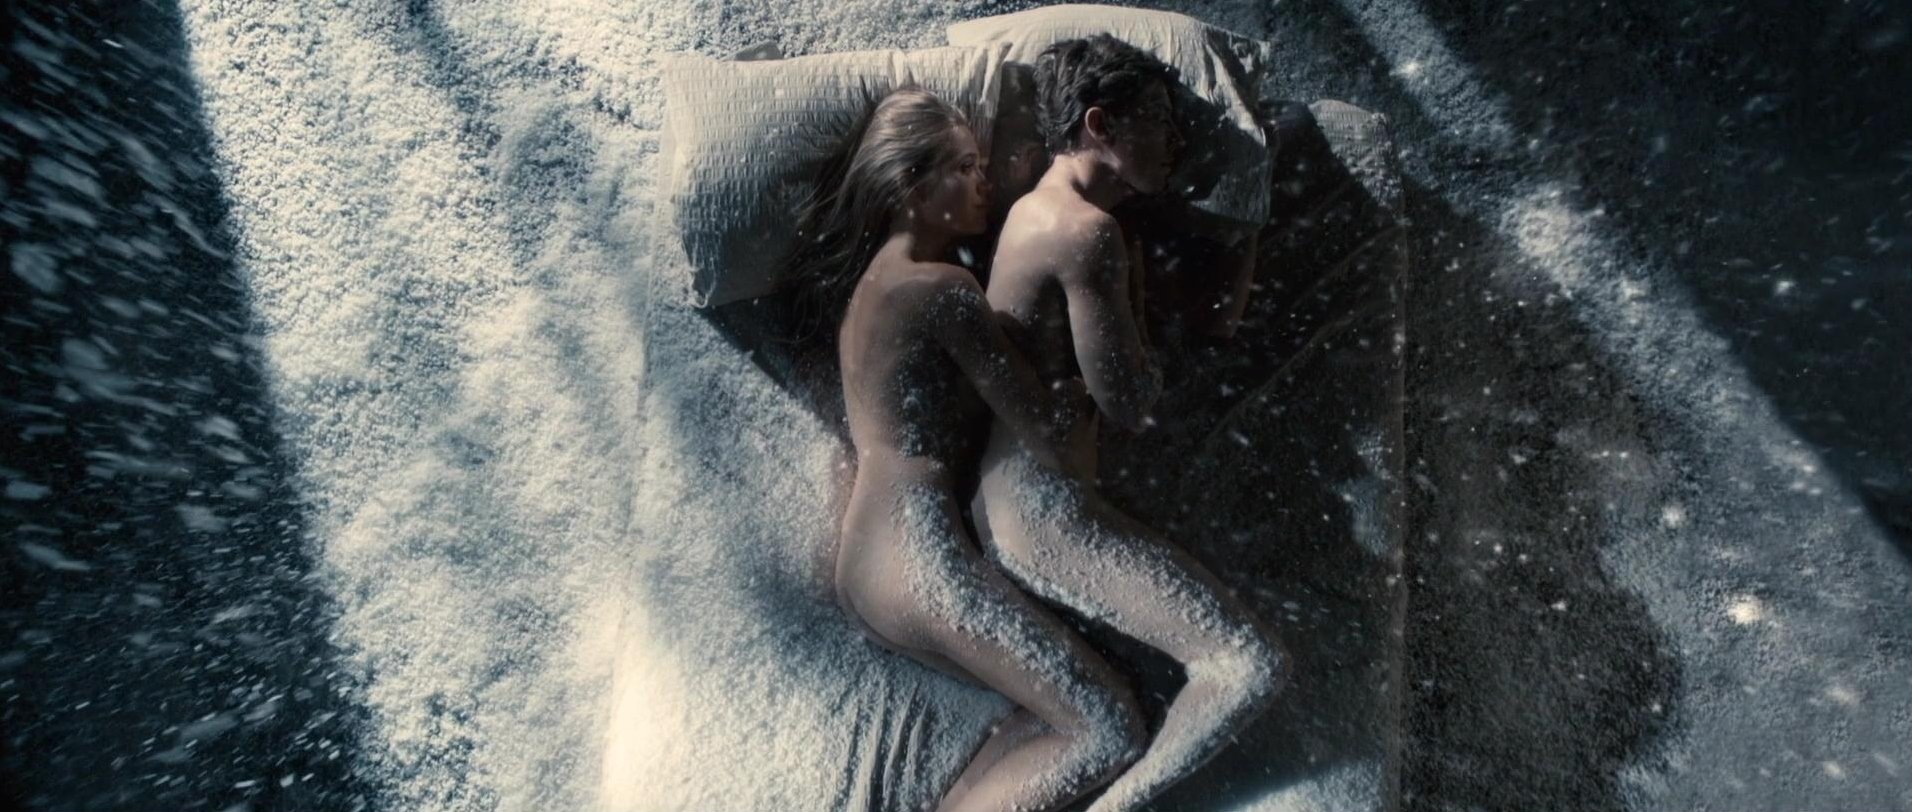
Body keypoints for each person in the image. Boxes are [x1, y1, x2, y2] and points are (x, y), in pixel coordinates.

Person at [791, 87, 1146, 812]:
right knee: (1109, 727)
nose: (983, 183)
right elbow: (1045, 432)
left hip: (870, 563)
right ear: (911, 186)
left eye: (981, 166)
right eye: (963, 167)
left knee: (1050, 715)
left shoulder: (869, 293)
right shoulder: (941, 290)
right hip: (915, 554)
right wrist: (1089, 382)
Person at [970, 36, 1292, 812]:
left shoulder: (1036, 213)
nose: (1176, 142)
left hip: (1016, 503)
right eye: (1160, 121)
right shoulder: (1085, 234)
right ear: (1100, 124)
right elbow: (1129, 402)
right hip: (1043, 517)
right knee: (1247, 665)